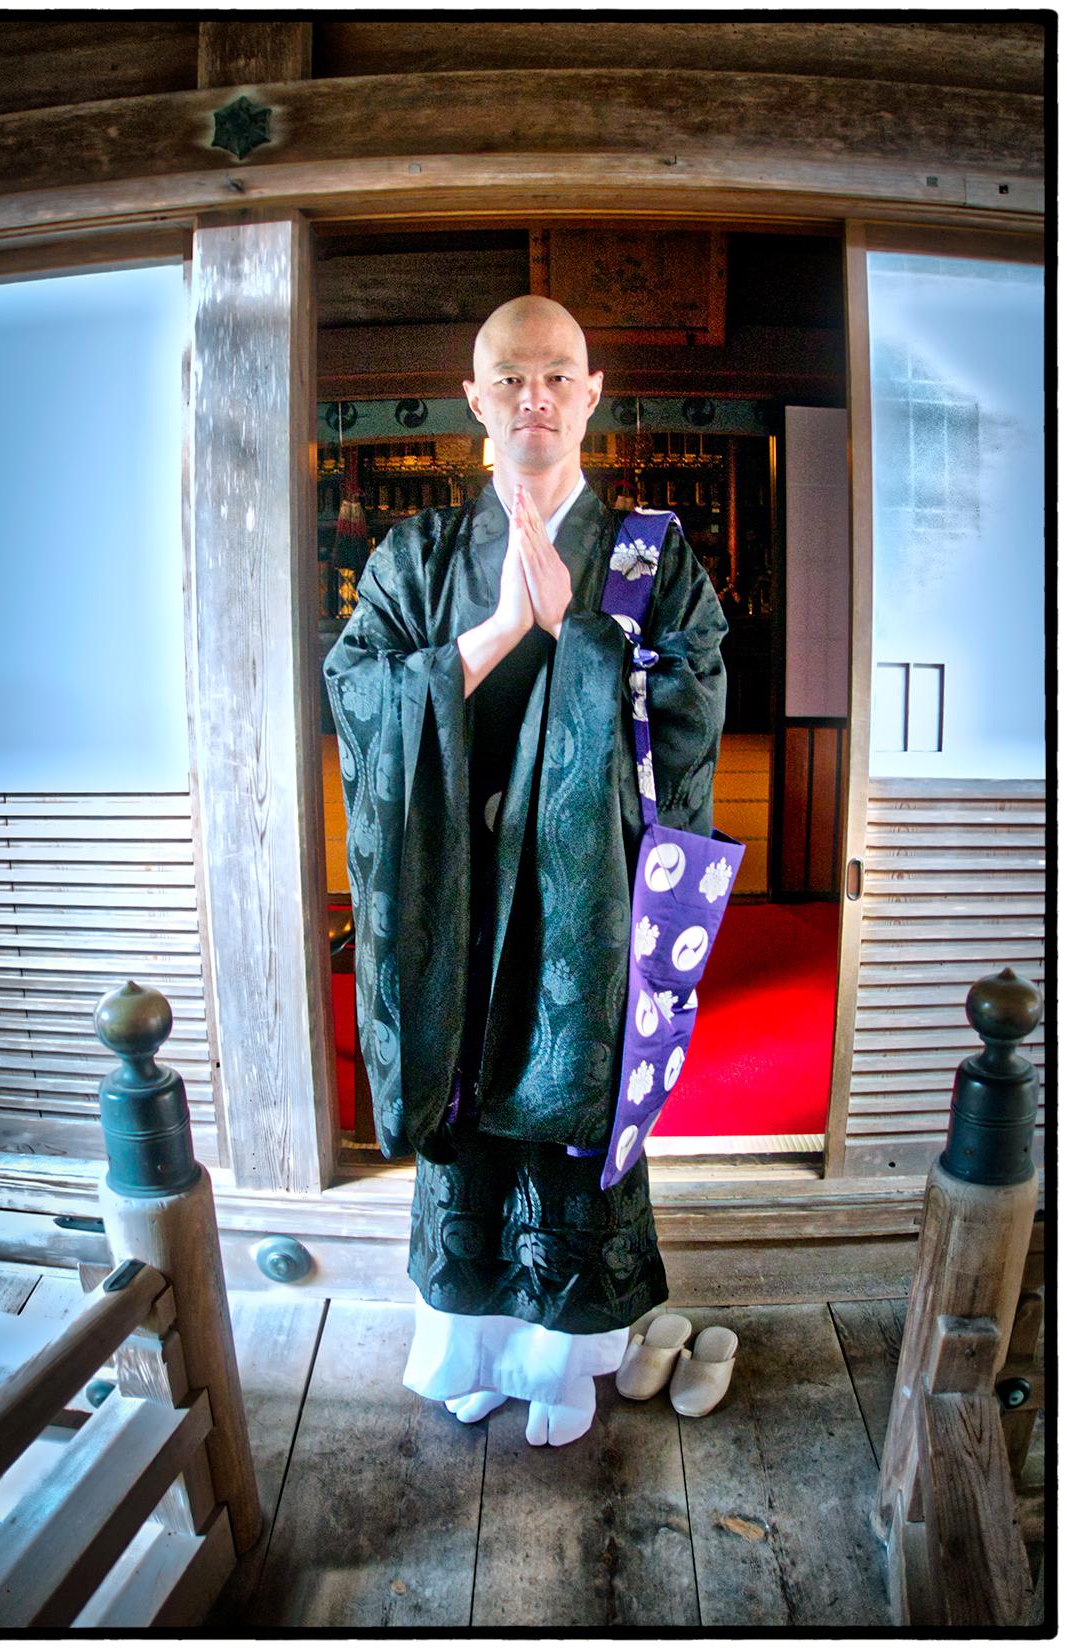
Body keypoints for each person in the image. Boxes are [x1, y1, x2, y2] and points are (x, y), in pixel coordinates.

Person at [325, 295, 727, 1446]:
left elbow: (692, 708)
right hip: (452, 908)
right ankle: (467, 1347)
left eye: (557, 375)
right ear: (474, 401)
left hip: (580, 911)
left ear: (593, 394)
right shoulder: (417, 554)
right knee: (469, 1137)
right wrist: (500, 628)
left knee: (568, 1130)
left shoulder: (655, 557)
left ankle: (570, 1359)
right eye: (510, 378)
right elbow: (356, 693)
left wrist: (585, 634)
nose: (534, 397)